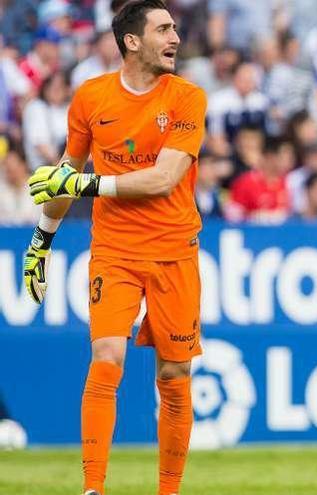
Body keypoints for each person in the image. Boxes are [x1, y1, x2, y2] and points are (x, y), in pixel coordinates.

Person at [21, 2, 207, 494]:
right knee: (106, 356)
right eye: (163, 29)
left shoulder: (188, 97)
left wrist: (86, 186)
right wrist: (41, 240)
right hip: (115, 251)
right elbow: (64, 177)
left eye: (174, 28)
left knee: (174, 373)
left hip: (174, 251)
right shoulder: (90, 97)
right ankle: (92, 490)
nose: (175, 38)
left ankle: (168, 491)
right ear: (131, 41)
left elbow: (164, 179)